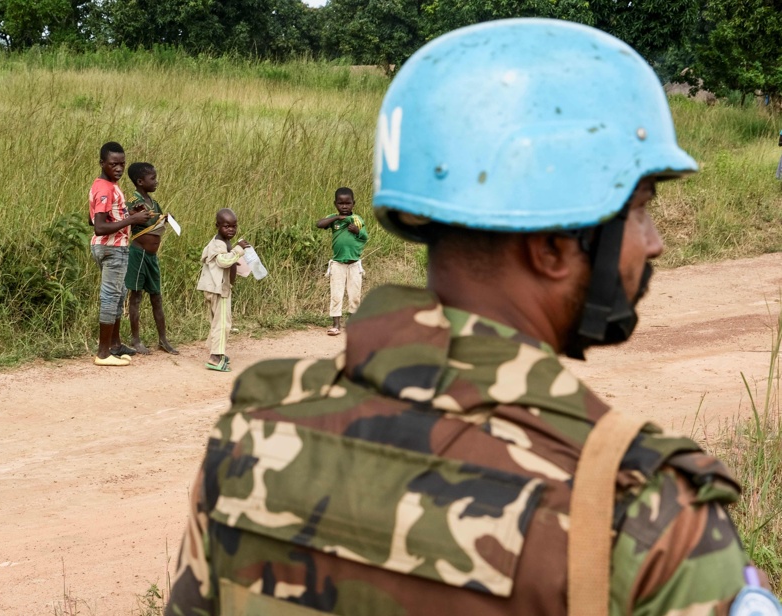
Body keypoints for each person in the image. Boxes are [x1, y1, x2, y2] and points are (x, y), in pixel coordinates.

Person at [167, 19, 779, 616]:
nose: (655, 243)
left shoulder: (252, 437)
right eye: (641, 208)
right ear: (554, 247)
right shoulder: (652, 522)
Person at [88, 142, 151, 367]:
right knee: (110, 297)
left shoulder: (106, 186)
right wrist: (132, 220)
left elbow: (94, 217)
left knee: (118, 295)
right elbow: (99, 227)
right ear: (102, 163)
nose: (119, 168)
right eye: (113, 164)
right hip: (111, 247)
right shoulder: (105, 187)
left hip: (115, 247)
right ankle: (103, 353)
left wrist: (128, 213)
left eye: (122, 164)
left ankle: (114, 345)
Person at [124, 162, 179, 355]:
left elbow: (155, 221)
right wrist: (133, 213)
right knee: (136, 296)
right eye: (152, 178)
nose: (156, 181)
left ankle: (163, 339)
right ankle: (136, 339)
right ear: (140, 181)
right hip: (138, 254)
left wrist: (166, 218)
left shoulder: (153, 203)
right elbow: (126, 216)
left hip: (151, 257)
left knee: (157, 296)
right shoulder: (134, 200)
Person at [196, 208, 250, 372]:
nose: (231, 230)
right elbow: (223, 261)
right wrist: (239, 250)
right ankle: (215, 357)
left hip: (218, 288)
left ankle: (216, 352)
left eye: (234, 226)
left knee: (217, 322)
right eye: (226, 226)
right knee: (223, 323)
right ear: (217, 226)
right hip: (218, 290)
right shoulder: (217, 244)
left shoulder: (223, 242)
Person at [315, 187, 368, 336]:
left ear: (353, 204)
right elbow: (320, 224)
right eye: (340, 203)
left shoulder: (357, 219)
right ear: (335, 204)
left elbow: (365, 237)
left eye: (348, 203)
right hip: (338, 264)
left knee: (354, 295)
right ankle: (336, 325)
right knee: (336, 294)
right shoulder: (334, 219)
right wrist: (337, 218)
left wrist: (357, 231)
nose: (344, 206)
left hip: (354, 264)